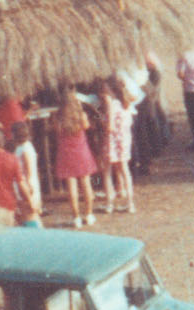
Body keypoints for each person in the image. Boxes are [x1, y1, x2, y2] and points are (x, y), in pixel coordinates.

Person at [52, 90, 97, 227]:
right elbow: (87, 126)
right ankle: (88, 214)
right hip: (81, 152)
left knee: (71, 186)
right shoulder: (81, 115)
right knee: (86, 184)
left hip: (66, 153)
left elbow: (56, 131)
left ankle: (76, 217)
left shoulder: (57, 117)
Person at [100, 78, 136, 215]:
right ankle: (130, 203)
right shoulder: (126, 103)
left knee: (107, 171)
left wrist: (101, 120)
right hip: (124, 139)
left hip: (112, 140)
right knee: (125, 170)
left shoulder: (112, 104)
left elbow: (110, 127)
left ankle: (109, 203)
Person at [10, 121, 41, 227]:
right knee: (26, 215)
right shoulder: (23, 147)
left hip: (26, 184)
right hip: (23, 183)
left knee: (30, 215)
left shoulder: (25, 149)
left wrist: (28, 189)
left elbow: (28, 171)